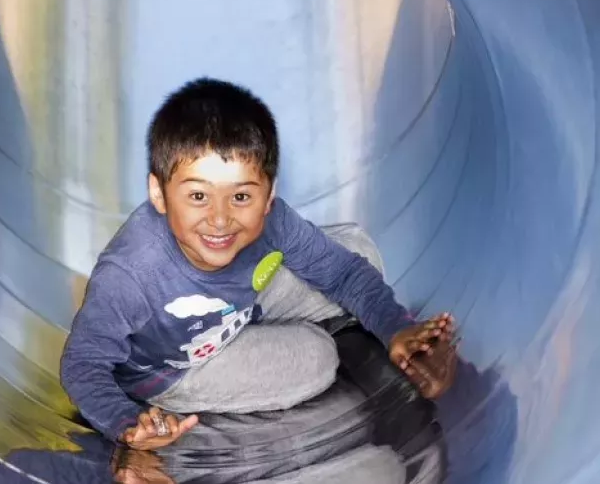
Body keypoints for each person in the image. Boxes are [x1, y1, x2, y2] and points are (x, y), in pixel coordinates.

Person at [60, 77, 458, 452]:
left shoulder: (272, 221)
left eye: (241, 197)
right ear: (159, 195)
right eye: (198, 196)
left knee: (360, 249)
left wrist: (397, 329)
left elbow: (345, 272)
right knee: (315, 360)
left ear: (269, 197)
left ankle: (292, 320)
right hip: (179, 364)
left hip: (243, 300)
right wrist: (128, 423)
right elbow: (83, 365)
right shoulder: (131, 274)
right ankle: (303, 327)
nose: (220, 219)